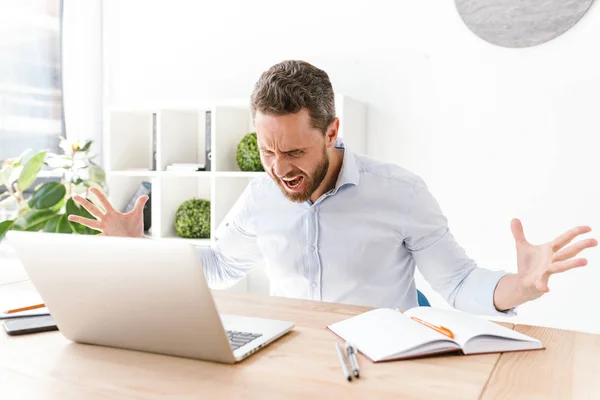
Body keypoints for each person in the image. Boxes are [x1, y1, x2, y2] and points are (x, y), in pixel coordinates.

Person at [70, 60, 597, 316]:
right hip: (289, 358)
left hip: (379, 361)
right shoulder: (260, 195)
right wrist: (136, 250)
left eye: (295, 152)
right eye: (267, 151)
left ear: (332, 131)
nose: (280, 169)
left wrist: (520, 286)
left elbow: (458, 284)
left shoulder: (401, 193)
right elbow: (221, 267)